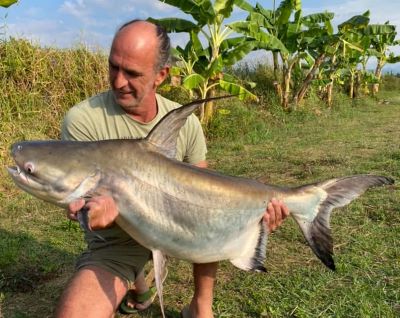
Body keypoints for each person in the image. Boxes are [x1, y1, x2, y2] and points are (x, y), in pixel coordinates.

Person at [55, 19, 289, 318]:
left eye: (132, 73)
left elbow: (205, 196)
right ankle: (139, 284)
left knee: (208, 214)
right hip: (118, 239)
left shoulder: (184, 123)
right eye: (114, 66)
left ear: (161, 75)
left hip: (181, 225)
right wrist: (91, 212)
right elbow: (79, 192)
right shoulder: (82, 120)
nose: (117, 81)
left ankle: (200, 306)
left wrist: (256, 219)